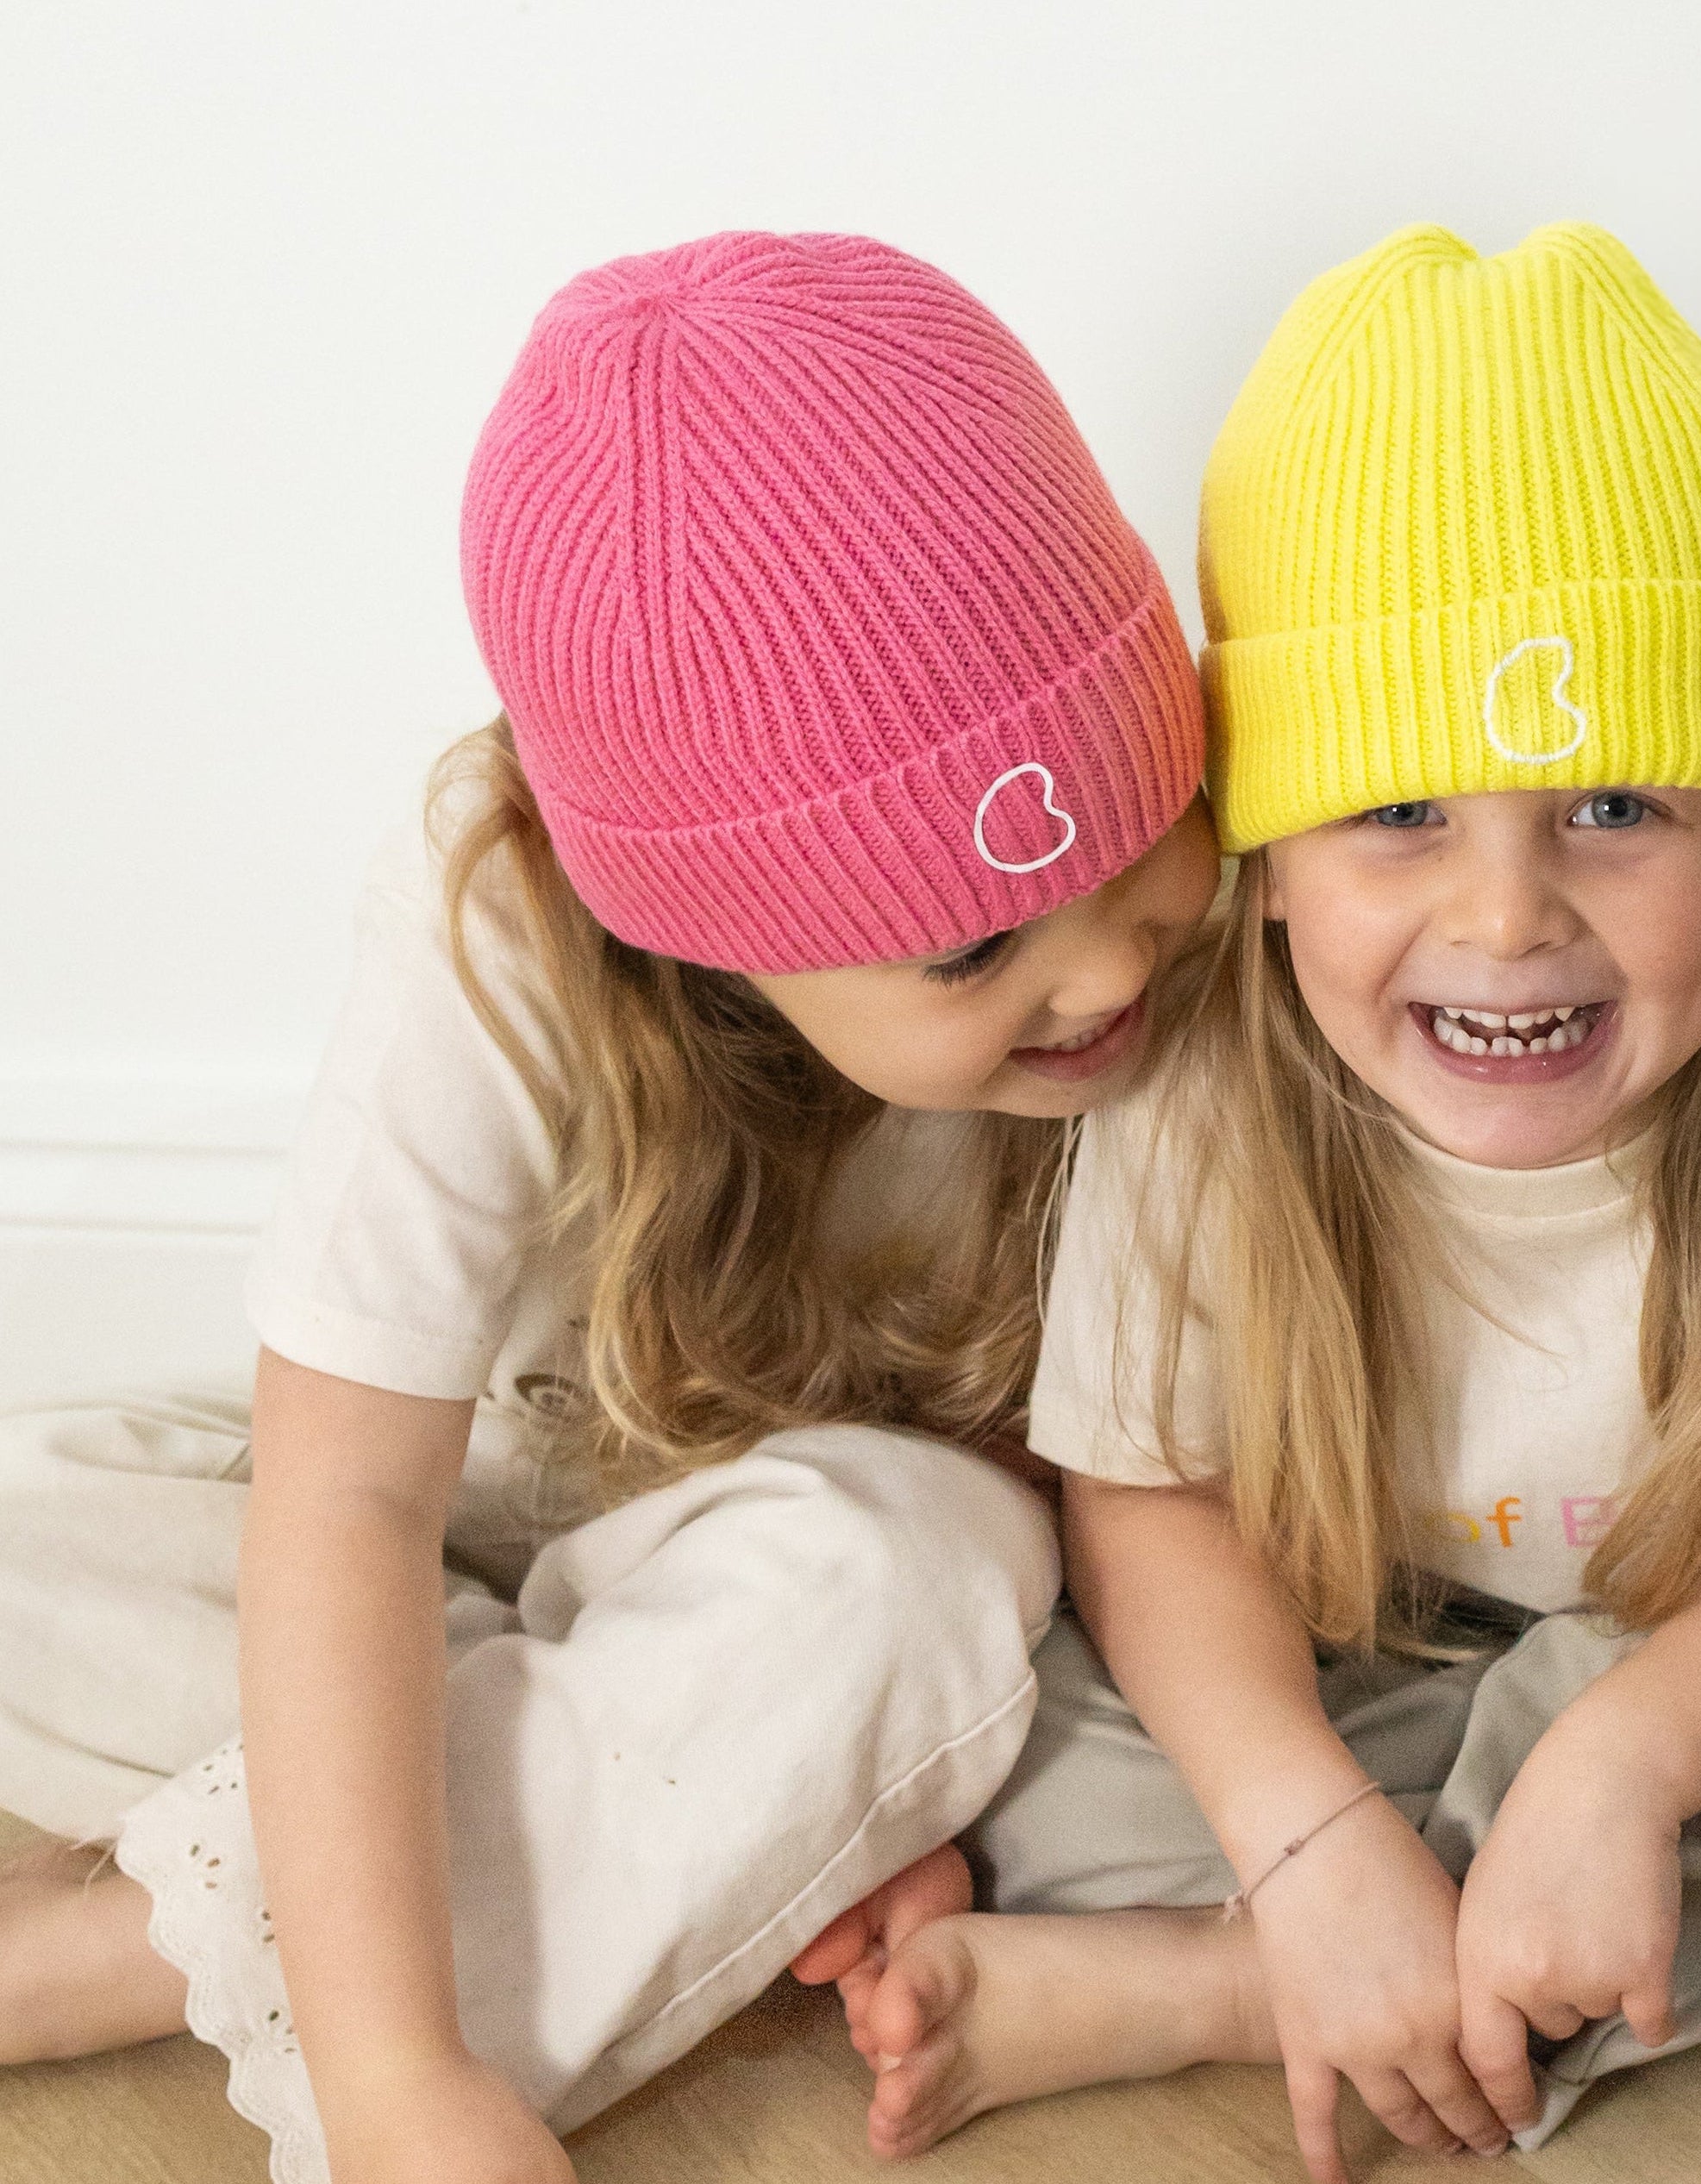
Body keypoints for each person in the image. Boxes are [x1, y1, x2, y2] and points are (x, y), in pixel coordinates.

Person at [802, 222, 1701, 2181]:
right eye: (1396, 810)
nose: (1507, 918)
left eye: (1617, 804)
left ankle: (1234, 1982)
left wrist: (1623, 1756)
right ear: (1261, 865)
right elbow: (1150, 1502)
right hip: (1370, 1643)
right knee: (1055, 1757)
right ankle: (1436, 1936)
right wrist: (1312, 1834)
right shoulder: (1204, 1067)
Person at [0, 230, 1216, 2184]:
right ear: (729, 945)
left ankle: (93, 1955)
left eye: (1142, 819)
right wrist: (409, 2059)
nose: (1098, 971)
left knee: (914, 1584)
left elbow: (1128, 1496)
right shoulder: (492, 916)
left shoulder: (1212, 970)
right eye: (977, 941)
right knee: (37, 1522)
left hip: (833, 1561)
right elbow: (350, 1497)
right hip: (491, 1500)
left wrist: (401, 2083)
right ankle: (641, 1790)